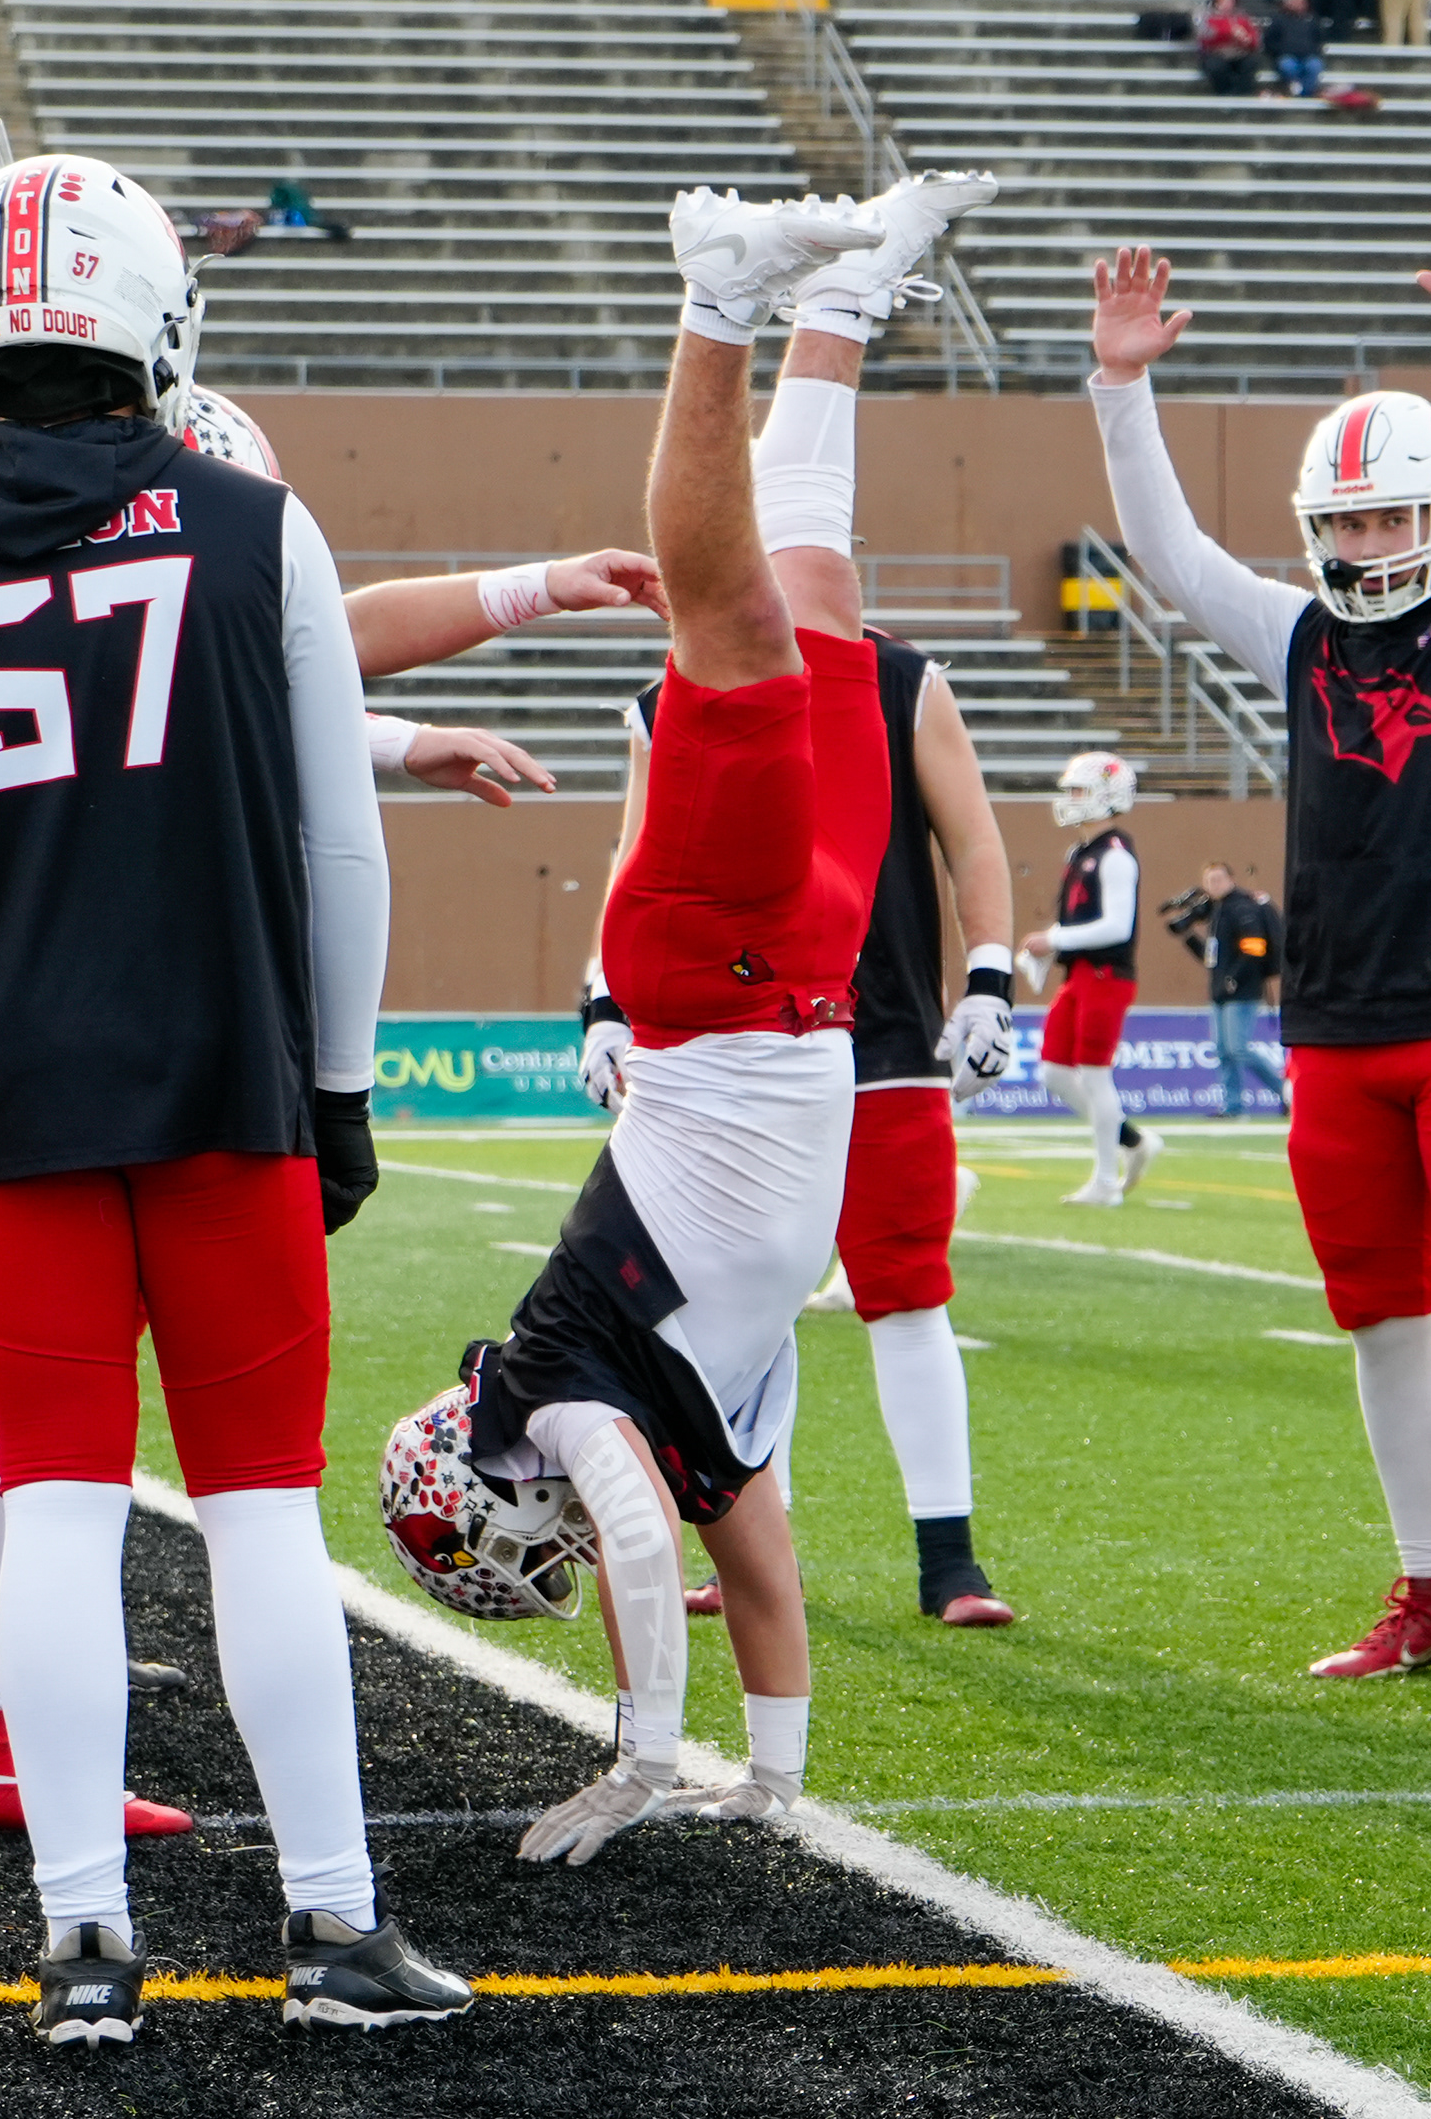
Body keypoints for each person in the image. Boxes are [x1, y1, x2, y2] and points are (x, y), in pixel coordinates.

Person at [0, 155, 475, 2045]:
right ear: (153, 321)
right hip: (223, 1080)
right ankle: (336, 1927)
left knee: (63, 1502)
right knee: (262, 1512)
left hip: (18, 1098)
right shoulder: (249, 522)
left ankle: (86, 1943)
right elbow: (341, 848)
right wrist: (340, 1083)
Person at [0, 390, 671, 1822]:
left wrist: (430, 720)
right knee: (55, 1414)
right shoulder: (178, 550)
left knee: (34, 1395)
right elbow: (294, 671)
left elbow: (287, 675)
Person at [396, 178, 936, 1872]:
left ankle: (716, 301)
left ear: (492, 1485)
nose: (552, 1551)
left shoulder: (556, 1389)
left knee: (743, 630)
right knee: (825, 602)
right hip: (809, 996)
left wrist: (640, 1763)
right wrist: (769, 1780)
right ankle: (850, 298)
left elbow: (639, 1549)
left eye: (519, 1550)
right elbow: (752, 1571)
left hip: (717, 980)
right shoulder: (677, 1409)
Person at [1089, 200, 1431, 1696]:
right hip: (1338, 1031)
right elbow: (1173, 554)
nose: (1365, 545)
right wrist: (1124, 388)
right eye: (1346, 523)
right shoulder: (1303, 636)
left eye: (1387, 518)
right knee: (1380, 1318)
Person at [579, 174, 1025, 1633]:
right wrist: (600, 1000)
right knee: (730, 1308)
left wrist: (989, 977)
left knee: (894, 1293)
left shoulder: (877, 669)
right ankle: (817, 298)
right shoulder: (704, 678)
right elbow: (638, 854)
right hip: (747, 1016)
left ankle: (945, 1551)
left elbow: (971, 841)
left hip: (850, 1011)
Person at [1028, 752, 1150, 1205]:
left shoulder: (1115, 856)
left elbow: (1118, 926)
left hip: (1106, 972)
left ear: (1107, 796)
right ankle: (1133, 1141)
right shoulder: (1080, 851)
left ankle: (1105, 1182)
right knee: (1055, 1073)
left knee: (1095, 1077)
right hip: (1081, 971)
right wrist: (1051, 947)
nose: (1072, 800)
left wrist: (1055, 936)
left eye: (1079, 791)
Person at [1171, 861, 1289, 1117]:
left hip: (1242, 991)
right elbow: (1213, 957)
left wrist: (1234, 978)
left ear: (1230, 880)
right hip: (1221, 991)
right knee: (1224, 1051)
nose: (1214, 885)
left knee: (1238, 1048)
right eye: (1210, 881)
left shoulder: (1242, 907)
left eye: (1219, 879)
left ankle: (1286, 1091)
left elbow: (1255, 947)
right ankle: (1233, 1106)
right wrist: (1189, 938)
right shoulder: (1218, 912)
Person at [1198, 0, 1263, 95]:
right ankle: (1224, 93)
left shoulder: (1243, 18)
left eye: (1230, 1)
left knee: (1250, 63)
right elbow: (1205, 40)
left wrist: (1246, 39)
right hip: (1217, 54)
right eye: (1224, 1)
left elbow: (1254, 41)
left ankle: (1244, 94)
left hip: (1240, 53)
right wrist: (1228, 33)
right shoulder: (1208, 19)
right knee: (1216, 66)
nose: (1228, 4)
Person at [1267, 0, 1327, 98]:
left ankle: (1304, 94)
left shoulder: (1312, 20)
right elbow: (1269, 41)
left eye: (1302, 1)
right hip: (1287, 57)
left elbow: (1319, 40)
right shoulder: (1278, 20)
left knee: (1314, 66)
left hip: (1308, 57)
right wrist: (1280, 52)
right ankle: (1298, 93)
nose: (1299, 3)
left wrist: (1313, 51)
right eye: (1295, 0)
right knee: (1288, 66)